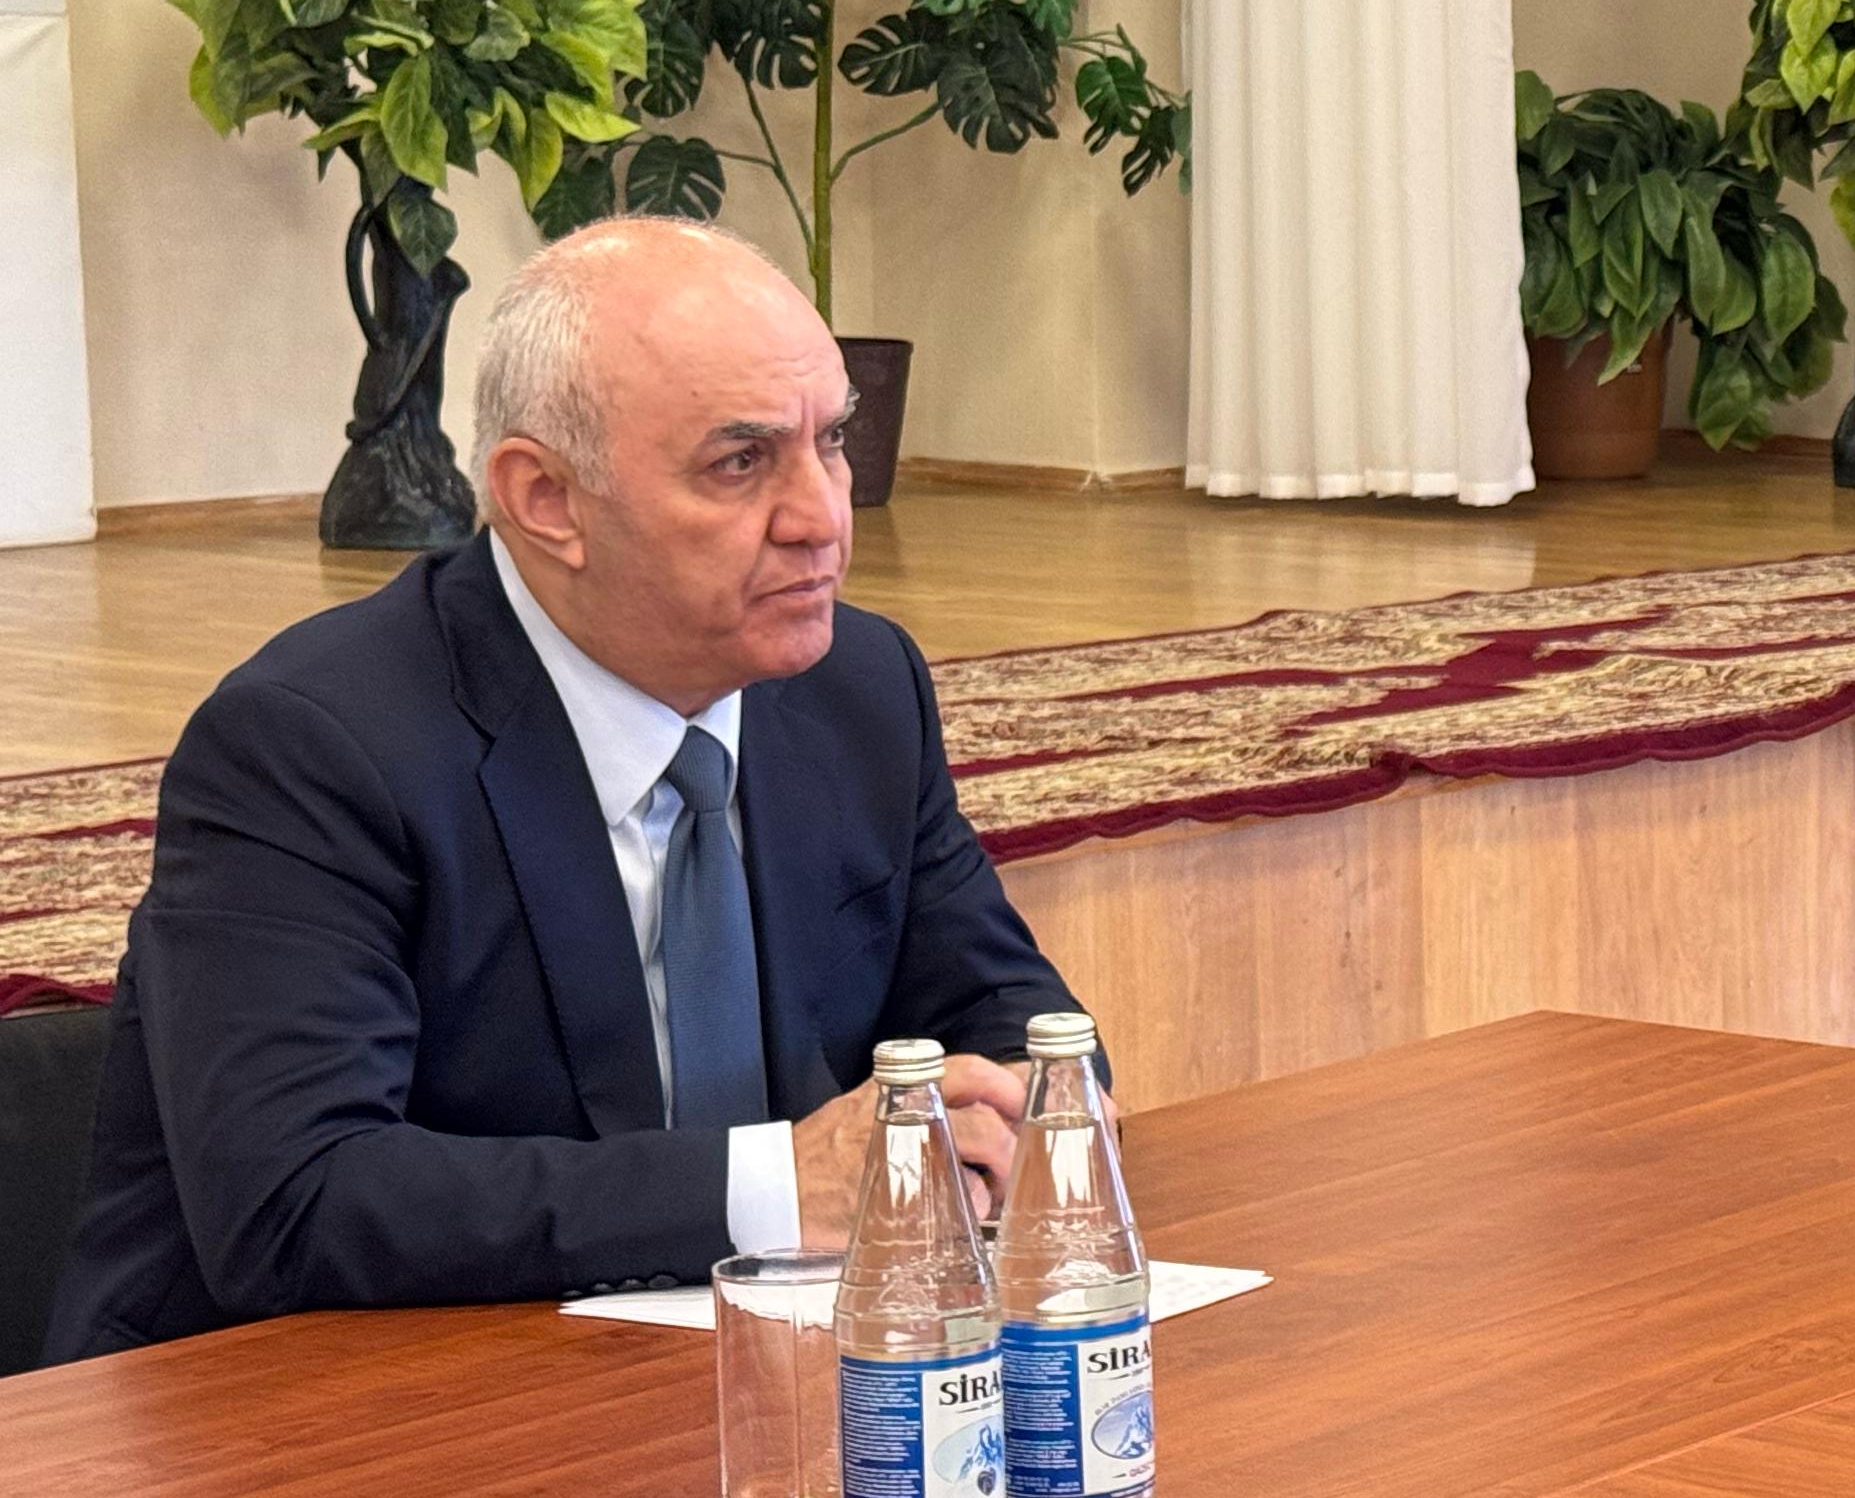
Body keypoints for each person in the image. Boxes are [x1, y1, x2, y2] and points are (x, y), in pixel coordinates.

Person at [47, 220, 1081, 1360]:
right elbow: (296, 1203)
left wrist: (1024, 1112)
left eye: (831, 440)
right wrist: (780, 1188)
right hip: (298, 1405)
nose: (823, 517)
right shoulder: (313, 747)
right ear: (545, 498)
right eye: (740, 463)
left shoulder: (858, 688)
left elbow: (1002, 1010)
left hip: (732, 1373)